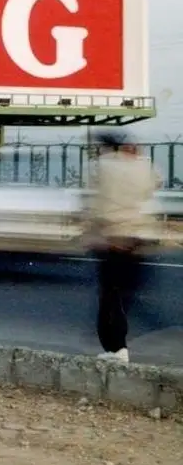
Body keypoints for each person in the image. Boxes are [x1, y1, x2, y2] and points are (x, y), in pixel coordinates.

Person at [86, 131, 158, 364]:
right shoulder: (142, 166)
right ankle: (119, 346)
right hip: (138, 237)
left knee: (110, 297)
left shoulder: (102, 166)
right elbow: (154, 184)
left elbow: (95, 203)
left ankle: (116, 348)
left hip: (112, 238)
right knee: (125, 295)